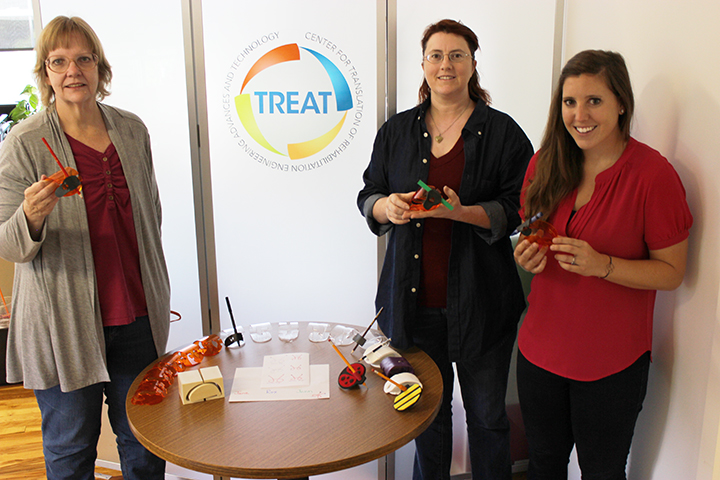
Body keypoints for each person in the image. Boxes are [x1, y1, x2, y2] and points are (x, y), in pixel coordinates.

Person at [358, 19, 533, 480]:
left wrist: (462, 213)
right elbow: (368, 193)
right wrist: (386, 207)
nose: (446, 65)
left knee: (488, 420)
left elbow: (520, 209)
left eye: (457, 55)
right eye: (436, 55)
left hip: (484, 302)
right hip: (412, 306)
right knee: (427, 419)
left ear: (474, 64)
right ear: (423, 64)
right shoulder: (396, 131)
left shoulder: (502, 133)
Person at [0, 16, 170, 480]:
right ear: (45, 72)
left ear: (100, 68)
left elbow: (151, 216)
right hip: (61, 325)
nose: (72, 70)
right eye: (59, 61)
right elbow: (9, 243)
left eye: (83, 58)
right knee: (70, 448)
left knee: (144, 441)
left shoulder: (131, 131)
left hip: (135, 319)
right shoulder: (25, 141)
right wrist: (32, 216)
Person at [513, 50, 693, 479]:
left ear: (621, 104)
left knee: (603, 472)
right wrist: (527, 257)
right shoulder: (545, 162)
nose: (579, 115)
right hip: (539, 354)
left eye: (594, 100)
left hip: (611, 364)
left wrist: (604, 265)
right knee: (543, 466)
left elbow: (671, 272)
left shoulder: (654, 175)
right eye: (569, 102)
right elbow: (529, 230)